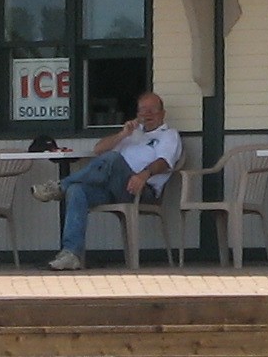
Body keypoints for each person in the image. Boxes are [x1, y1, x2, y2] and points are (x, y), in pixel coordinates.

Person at [34, 91, 182, 271]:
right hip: (115, 190)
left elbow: (164, 162)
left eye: (152, 110)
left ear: (162, 113)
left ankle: (59, 186)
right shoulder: (133, 134)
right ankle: (71, 254)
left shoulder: (169, 135)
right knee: (77, 190)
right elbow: (98, 150)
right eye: (142, 110)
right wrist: (123, 134)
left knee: (112, 159)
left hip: (143, 191)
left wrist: (143, 175)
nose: (147, 114)